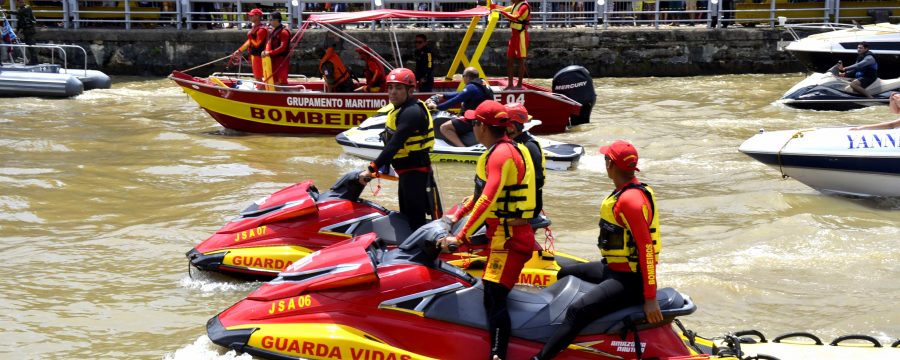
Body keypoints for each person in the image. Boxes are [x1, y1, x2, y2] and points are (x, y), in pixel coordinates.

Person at [531, 140, 662, 360]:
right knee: (566, 273)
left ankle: (541, 357)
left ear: (610, 164)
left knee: (576, 311)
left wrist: (650, 298)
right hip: (613, 269)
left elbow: (646, 249)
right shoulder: (627, 191)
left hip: (630, 279)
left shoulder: (630, 200)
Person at [440, 100, 537, 360]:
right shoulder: (502, 150)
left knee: (494, 296)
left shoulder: (501, 154)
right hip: (503, 235)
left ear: (482, 126)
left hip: (511, 239)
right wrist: (453, 217)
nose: (472, 127)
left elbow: (488, 199)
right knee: (488, 291)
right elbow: (477, 196)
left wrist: (459, 237)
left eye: (473, 123)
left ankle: (498, 355)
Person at [358, 68, 439, 231]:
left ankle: (418, 252)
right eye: (390, 87)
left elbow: (394, 145)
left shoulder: (412, 112)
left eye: (398, 88)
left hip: (416, 174)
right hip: (406, 173)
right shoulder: (400, 108)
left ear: (410, 90)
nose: (392, 92)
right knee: (406, 216)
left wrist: (371, 170)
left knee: (414, 220)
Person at [429, 67, 494, 147]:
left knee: (444, 127)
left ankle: (462, 149)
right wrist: (443, 96)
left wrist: (437, 107)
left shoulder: (471, 87)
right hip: (482, 118)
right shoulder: (481, 83)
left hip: (473, 119)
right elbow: (462, 94)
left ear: (466, 77)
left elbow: (456, 100)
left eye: (462, 76)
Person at [505, 103, 545, 224]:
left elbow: (537, 180)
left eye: (502, 124)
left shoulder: (528, 147)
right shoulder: (517, 143)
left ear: (511, 127)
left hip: (524, 209)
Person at [495, 0, 530, 89]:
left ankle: (519, 85)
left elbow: (515, 17)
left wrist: (501, 12)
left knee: (521, 61)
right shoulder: (515, 5)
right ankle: (510, 84)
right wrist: (493, 7)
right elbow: (503, 8)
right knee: (509, 59)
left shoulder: (524, 6)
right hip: (514, 36)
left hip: (521, 36)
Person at [232, 8, 268, 88]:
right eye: (249, 15)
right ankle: (260, 88)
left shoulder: (261, 29)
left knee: (258, 76)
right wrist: (239, 50)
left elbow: (257, 44)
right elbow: (249, 42)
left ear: (257, 16)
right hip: (254, 55)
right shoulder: (255, 27)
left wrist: (250, 36)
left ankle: (261, 91)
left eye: (251, 15)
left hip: (259, 56)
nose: (249, 17)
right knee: (257, 75)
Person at [263, 12, 291, 87]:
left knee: (281, 79)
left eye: (271, 19)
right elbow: (269, 43)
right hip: (274, 58)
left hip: (281, 59)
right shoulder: (274, 31)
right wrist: (266, 51)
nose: (269, 21)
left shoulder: (284, 32)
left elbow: (282, 48)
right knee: (274, 78)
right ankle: (276, 92)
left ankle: (284, 94)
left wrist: (269, 53)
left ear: (277, 20)